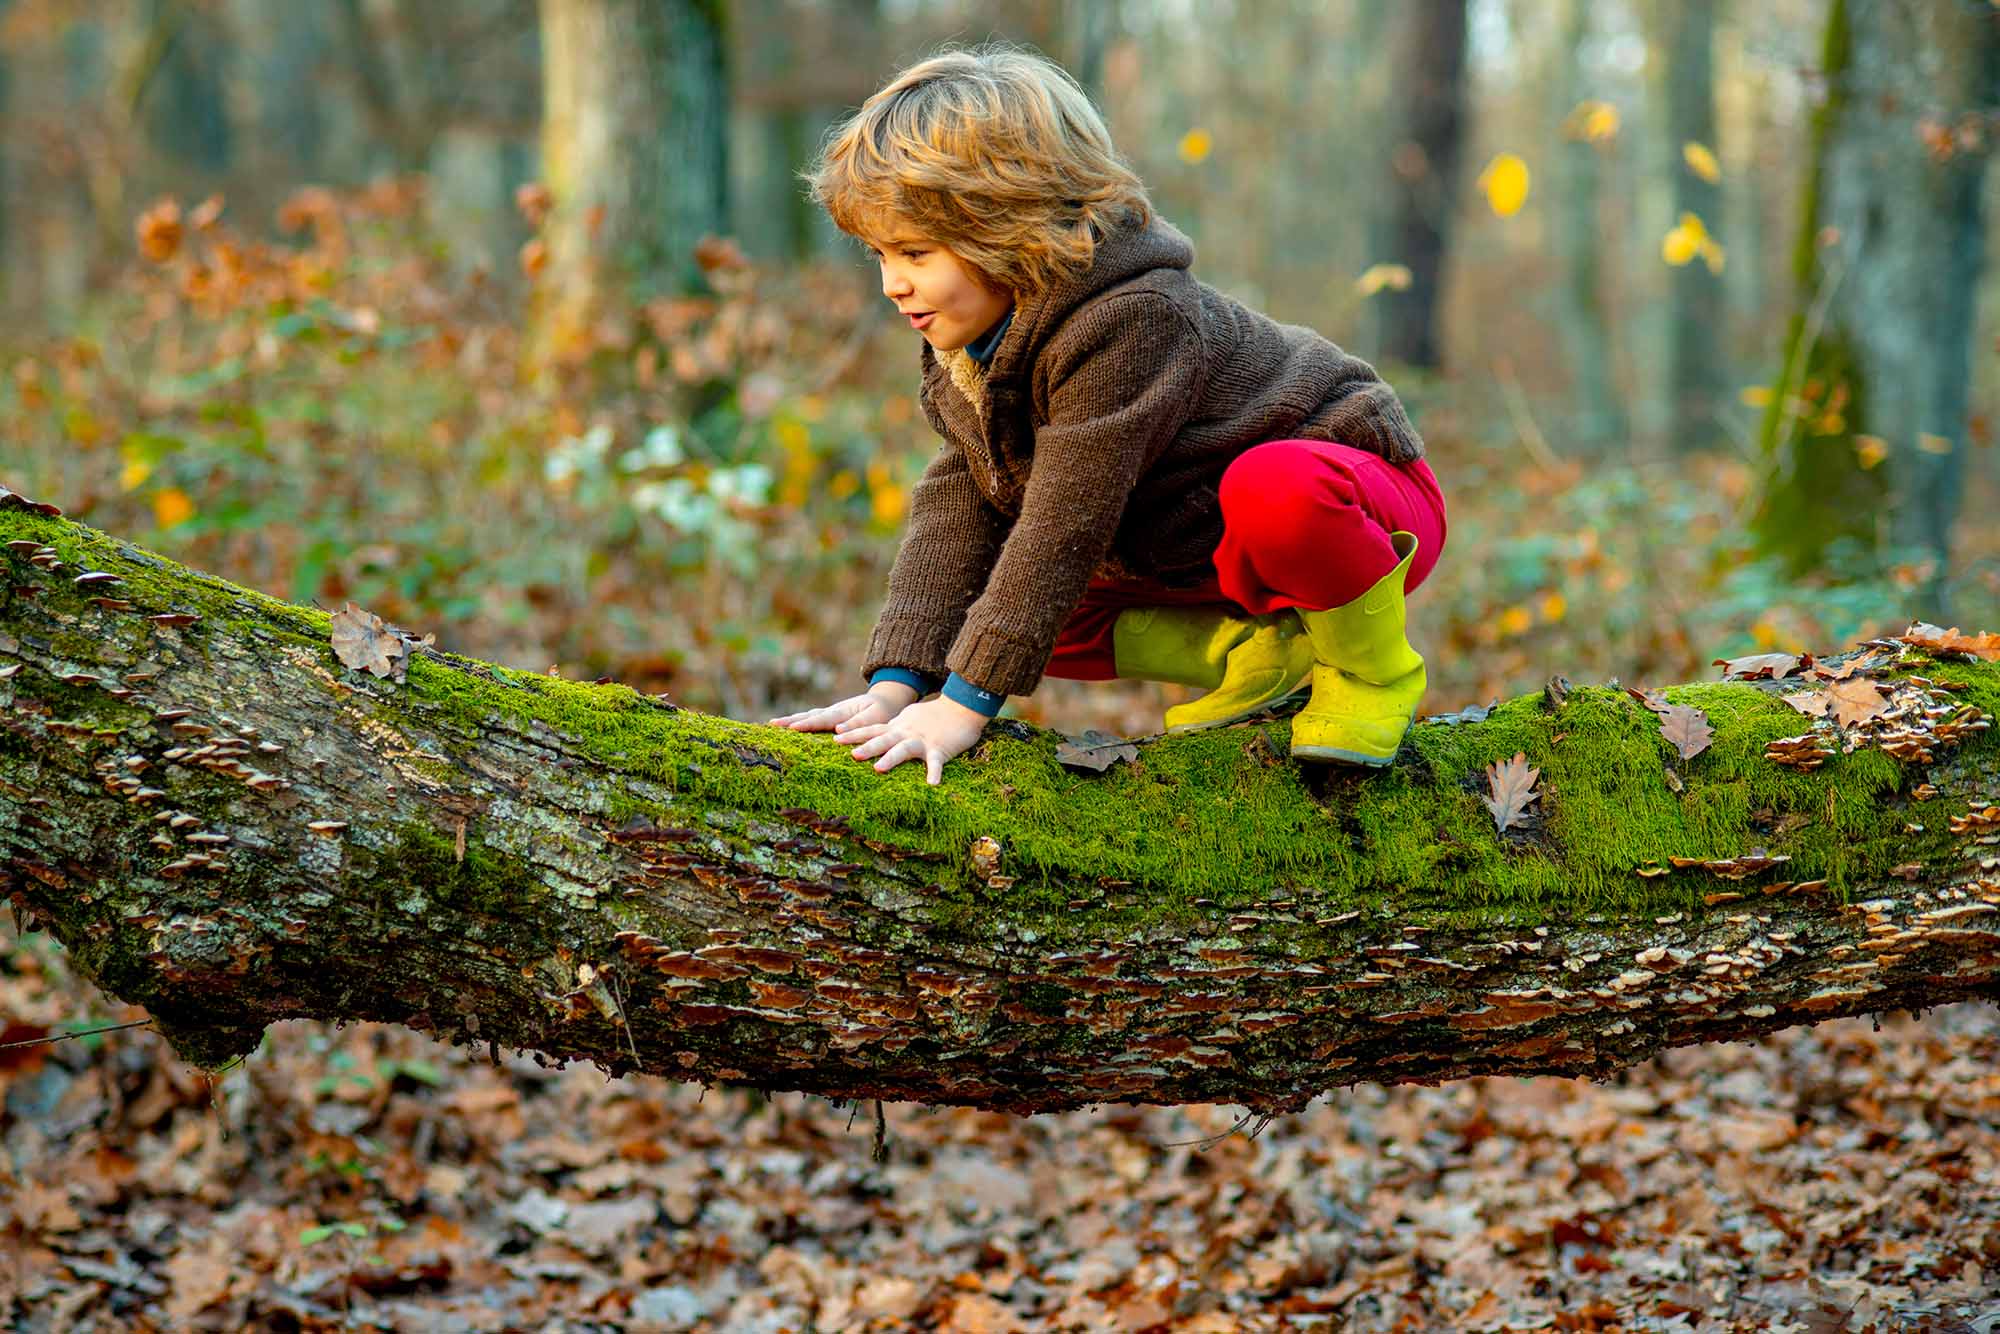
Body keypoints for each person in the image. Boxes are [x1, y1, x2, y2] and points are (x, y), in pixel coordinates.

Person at [770, 45, 1447, 786]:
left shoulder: (1134, 316)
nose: (893, 284)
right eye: (878, 254)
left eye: (916, 252)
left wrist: (965, 707)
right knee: (1001, 597)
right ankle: (1251, 651)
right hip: (1204, 545)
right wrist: (896, 686)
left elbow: (1068, 516)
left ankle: (1373, 672)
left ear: (1009, 226)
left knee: (1265, 490)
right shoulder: (966, 342)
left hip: (1360, 507)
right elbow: (960, 502)